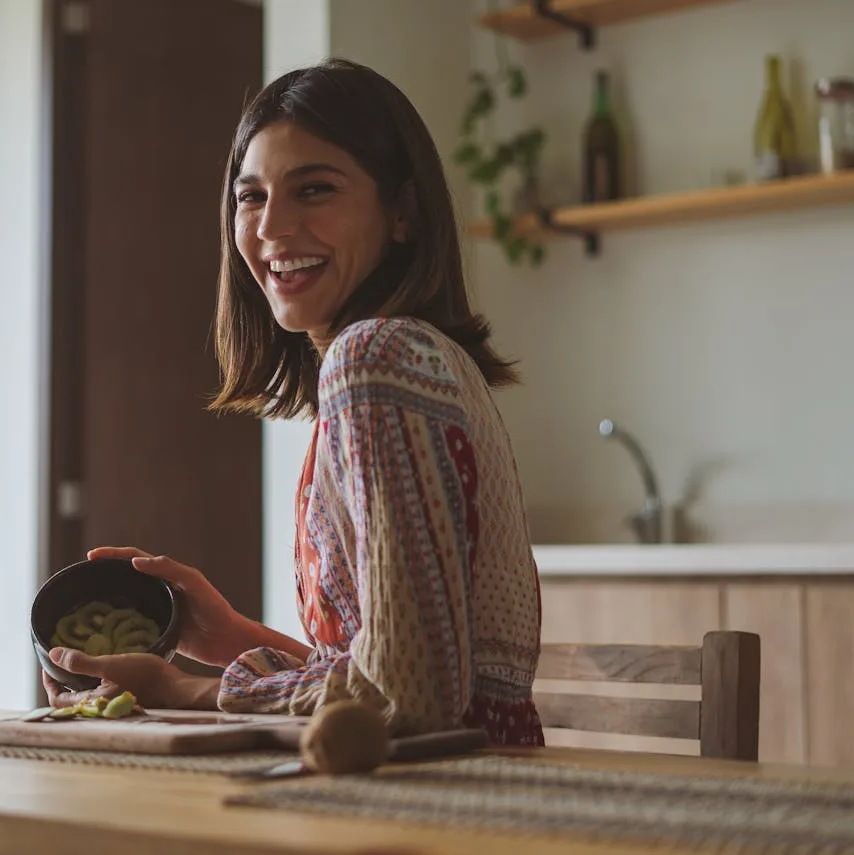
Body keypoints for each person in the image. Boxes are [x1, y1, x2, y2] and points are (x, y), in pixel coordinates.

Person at [43, 58, 545, 746]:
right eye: (251, 197)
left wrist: (185, 689)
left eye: (314, 189)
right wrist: (237, 639)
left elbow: (411, 698)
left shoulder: (375, 359)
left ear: (402, 212)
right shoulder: (417, 357)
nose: (273, 227)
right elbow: (394, 672)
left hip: (447, 808)